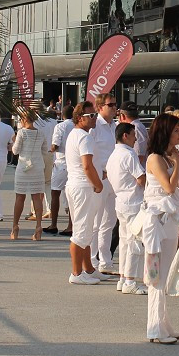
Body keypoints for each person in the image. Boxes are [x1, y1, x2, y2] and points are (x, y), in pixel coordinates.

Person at [143, 114, 179, 344]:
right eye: (177, 131)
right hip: (157, 222)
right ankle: (155, 327)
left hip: (169, 220)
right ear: (166, 132)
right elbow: (169, 188)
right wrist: (178, 162)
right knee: (157, 275)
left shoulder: (169, 157)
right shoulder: (155, 158)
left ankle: (163, 324)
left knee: (165, 273)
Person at [66, 104, 105, 285]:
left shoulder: (75, 134)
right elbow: (87, 166)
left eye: (95, 114)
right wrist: (98, 184)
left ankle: (88, 269)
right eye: (91, 115)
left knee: (85, 229)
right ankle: (76, 273)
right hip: (83, 187)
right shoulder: (84, 137)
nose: (95, 117)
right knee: (82, 231)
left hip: (76, 185)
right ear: (80, 117)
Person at [106, 123, 147, 295]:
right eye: (133, 135)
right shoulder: (129, 154)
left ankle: (124, 277)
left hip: (121, 200)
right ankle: (130, 280)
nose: (135, 138)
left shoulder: (114, 154)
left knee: (124, 242)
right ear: (125, 136)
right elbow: (141, 178)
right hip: (133, 201)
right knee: (134, 242)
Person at [90, 93, 119, 273]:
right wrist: (98, 174)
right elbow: (88, 155)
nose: (115, 107)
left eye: (115, 105)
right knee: (96, 222)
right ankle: (92, 262)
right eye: (111, 105)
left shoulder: (114, 126)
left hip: (115, 178)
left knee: (109, 221)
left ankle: (105, 261)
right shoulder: (95, 127)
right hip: (100, 178)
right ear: (100, 107)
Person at [10, 109, 47, 241]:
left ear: (24, 119)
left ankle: (15, 226)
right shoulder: (41, 133)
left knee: (20, 197)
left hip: (23, 167)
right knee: (37, 197)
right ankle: (38, 226)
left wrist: (13, 141)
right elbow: (45, 150)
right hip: (37, 167)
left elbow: (15, 151)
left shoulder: (21, 133)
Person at [44, 104, 75, 235]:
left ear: (62, 115)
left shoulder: (60, 126)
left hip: (61, 162)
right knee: (72, 196)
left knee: (55, 193)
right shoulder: (77, 126)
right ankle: (71, 225)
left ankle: (54, 224)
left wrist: (50, 149)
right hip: (74, 163)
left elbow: (55, 145)